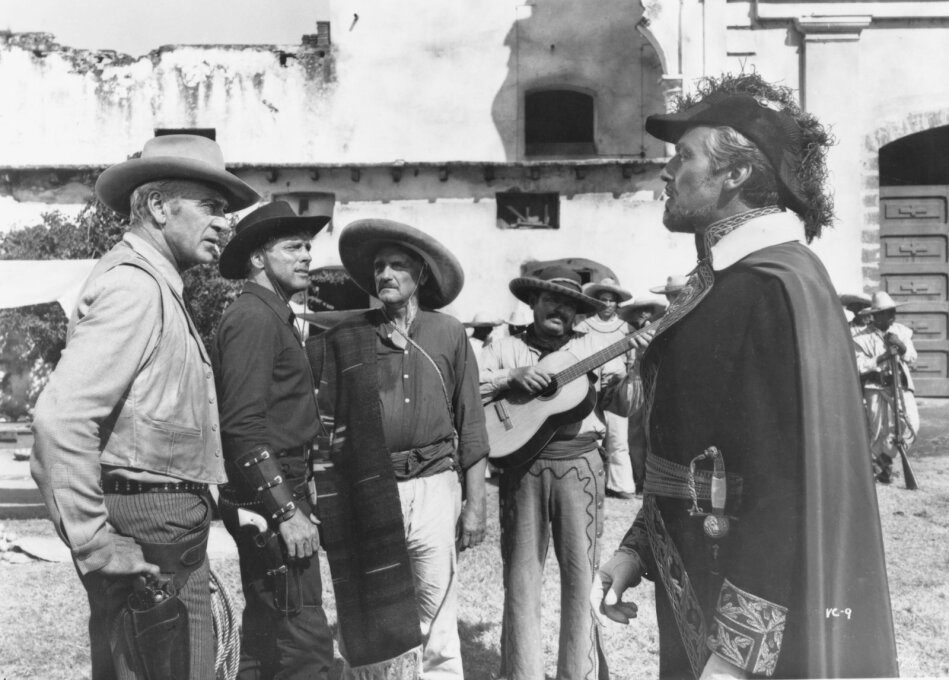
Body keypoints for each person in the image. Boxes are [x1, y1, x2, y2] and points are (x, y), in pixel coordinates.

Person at [592, 73, 899, 679]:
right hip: (694, 575)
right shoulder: (724, 284)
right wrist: (637, 550)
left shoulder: (771, 287)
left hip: (750, 629)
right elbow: (700, 457)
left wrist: (737, 657)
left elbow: (783, 487)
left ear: (734, 174)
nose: (666, 172)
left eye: (683, 157)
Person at [30, 134, 260, 679]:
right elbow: (60, 421)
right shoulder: (135, 287)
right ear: (158, 206)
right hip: (152, 522)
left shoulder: (154, 283)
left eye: (225, 211)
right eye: (210, 207)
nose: (224, 224)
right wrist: (95, 544)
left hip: (164, 522)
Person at [307, 219, 489, 679]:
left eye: (398, 265)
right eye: (379, 267)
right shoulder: (349, 337)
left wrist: (476, 505)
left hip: (434, 486)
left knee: (437, 610)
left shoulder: (448, 333)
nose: (385, 274)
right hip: (370, 487)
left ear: (421, 275)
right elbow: (323, 422)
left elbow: (470, 422)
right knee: (371, 613)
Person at [480, 265, 644, 680]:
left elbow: (624, 406)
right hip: (521, 467)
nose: (559, 310)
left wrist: (635, 366)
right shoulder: (504, 347)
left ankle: (580, 674)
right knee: (520, 578)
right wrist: (511, 377)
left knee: (582, 578)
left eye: (569, 304)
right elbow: (469, 390)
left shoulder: (594, 348)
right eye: (551, 299)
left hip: (579, 466)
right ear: (533, 302)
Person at [213, 201, 334, 679]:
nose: (307, 256)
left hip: (280, 488)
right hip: (270, 497)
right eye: (293, 247)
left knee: (266, 641)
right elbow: (243, 427)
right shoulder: (253, 318)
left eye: (308, 247)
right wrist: (286, 512)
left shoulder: (272, 314)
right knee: (303, 646)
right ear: (258, 258)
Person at [576, 277, 637, 499]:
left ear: (617, 303)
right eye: (603, 300)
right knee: (591, 434)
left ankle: (620, 485)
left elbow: (632, 359)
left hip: (616, 387)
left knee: (618, 437)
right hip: (590, 385)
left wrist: (626, 380)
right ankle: (589, 483)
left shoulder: (626, 328)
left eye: (612, 300)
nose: (607, 304)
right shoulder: (584, 326)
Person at [853, 291, 920, 484]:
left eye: (892, 311)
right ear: (875, 315)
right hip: (876, 387)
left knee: (911, 425)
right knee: (878, 431)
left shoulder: (901, 331)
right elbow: (858, 365)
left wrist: (901, 346)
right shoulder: (860, 337)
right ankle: (879, 470)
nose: (892, 315)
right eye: (886, 312)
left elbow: (912, 358)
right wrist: (883, 357)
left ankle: (884, 460)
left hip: (901, 385)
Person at [617, 299, 668, 497]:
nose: (643, 315)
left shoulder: (653, 331)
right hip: (635, 382)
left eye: (646, 311)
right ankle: (640, 478)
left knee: (644, 433)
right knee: (636, 434)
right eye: (640, 312)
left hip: (647, 382)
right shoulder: (629, 332)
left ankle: (646, 479)